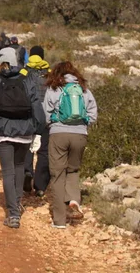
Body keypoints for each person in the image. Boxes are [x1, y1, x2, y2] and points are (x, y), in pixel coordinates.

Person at [0, 52, 46, 229]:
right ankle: (16, 205)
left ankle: (13, 213)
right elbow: (37, 105)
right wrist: (38, 131)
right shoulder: (28, 79)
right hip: (24, 131)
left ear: (0, 63)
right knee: (19, 168)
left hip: (2, 131)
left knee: (8, 172)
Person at [43, 61, 98, 229]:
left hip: (58, 134)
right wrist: (83, 124)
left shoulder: (53, 88)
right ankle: (74, 200)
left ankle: (59, 221)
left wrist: (53, 123)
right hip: (80, 134)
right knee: (73, 170)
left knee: (58, 175)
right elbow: (93, 114)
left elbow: (46, 113)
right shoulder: (83, 89)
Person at [20, 46, 50, 197]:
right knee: (43, 151)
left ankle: (27, 172)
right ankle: (40, 185)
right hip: (46, 116)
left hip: (28, 114)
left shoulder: (24, 72)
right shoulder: (49, 73)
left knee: (27, 146)